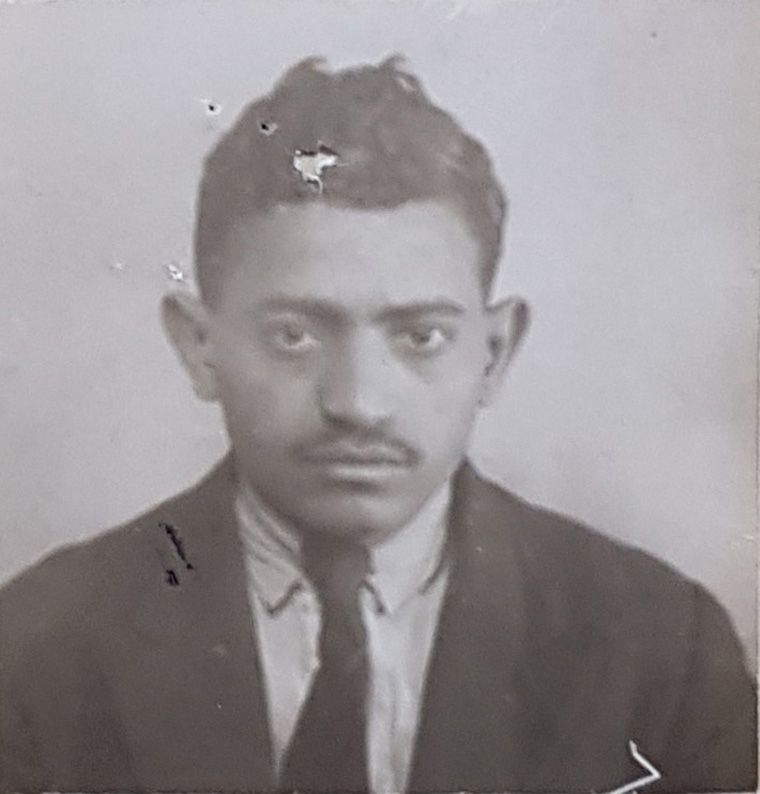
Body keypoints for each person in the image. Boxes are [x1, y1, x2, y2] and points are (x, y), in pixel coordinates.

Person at [0, 56, 755, 794]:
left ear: (493, 353)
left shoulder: (662, 653)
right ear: (201, 346)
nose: (358, 402)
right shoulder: (37, 646)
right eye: (294, 335)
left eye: (420, 336)